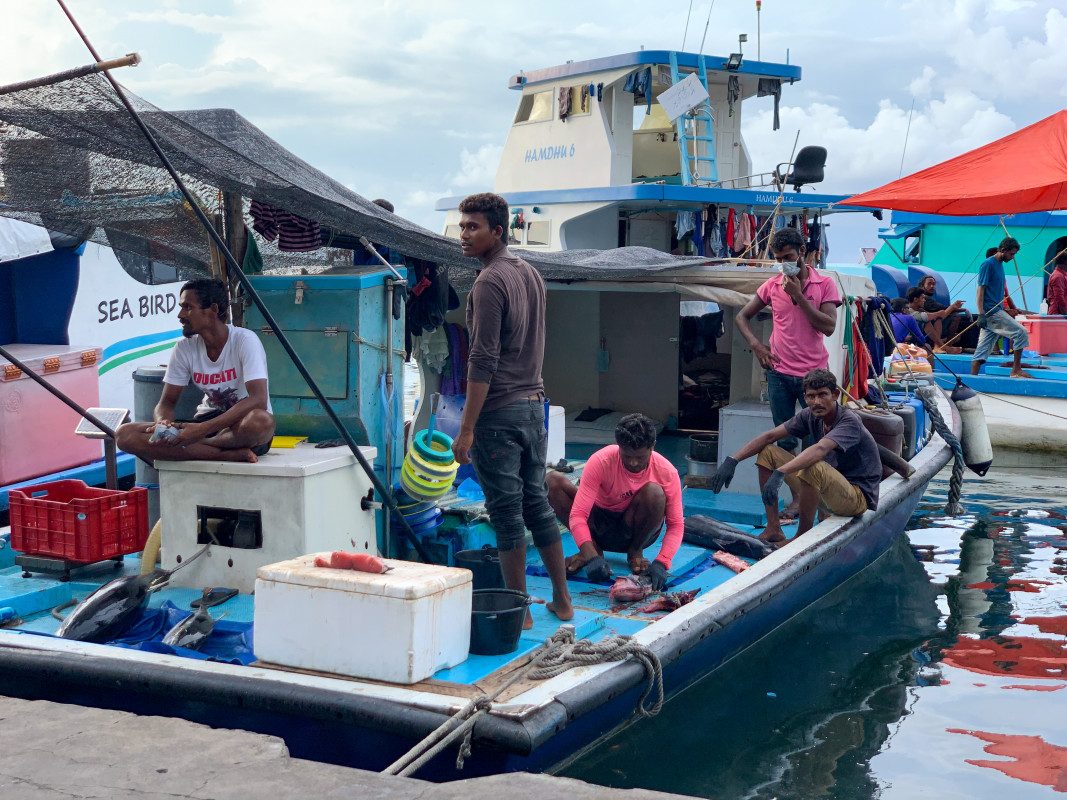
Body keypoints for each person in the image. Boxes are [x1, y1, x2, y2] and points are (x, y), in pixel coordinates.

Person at [450, 192, 573, 627]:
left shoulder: (488, 282)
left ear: (497, 231)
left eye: (472, 227)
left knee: (506, 513)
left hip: (500, 413)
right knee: (536, 503)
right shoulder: (531, 274)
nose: (462, 234)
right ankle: (561, 600)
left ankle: (519, 611)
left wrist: (466, 430)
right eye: (461, 226)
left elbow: (483, 360)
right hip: (533, 407)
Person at [735, 226, 841, 520]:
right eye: (779, 259)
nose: (785, 263)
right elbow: (742, 317)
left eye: (789, 257)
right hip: (779, 374)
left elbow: (828, 326)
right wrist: (757, 346)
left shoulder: (825, 284)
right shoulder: (771, 286)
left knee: (815, 440)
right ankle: (796, 500)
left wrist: (799, 296)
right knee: (785, 440)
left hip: (814, 376)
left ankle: (815, 498)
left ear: (803, 254)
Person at [709, 369, 881, 546]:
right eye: (811, 396)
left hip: (857, 499)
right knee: (768, 452)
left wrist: (781, 472)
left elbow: (821, 449)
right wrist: (733, 460)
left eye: (823, 395)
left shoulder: (848, 420)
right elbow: (770, 436)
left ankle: (801, 538)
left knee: (813, 465)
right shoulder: (809, 415)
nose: (817, 402)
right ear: (805, 398)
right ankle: (773, 528)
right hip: (829, 489)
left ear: (835, 395)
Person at [116, 278, 275, 462]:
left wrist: (202, 431)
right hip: (205, 422)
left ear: (213, 310)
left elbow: (258, 400)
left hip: (239, 424)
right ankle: (224, 455)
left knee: (261, 422)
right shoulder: (184, 347)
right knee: (124, 434)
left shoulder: (245, 340)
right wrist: (162, 422)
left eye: (188, 307)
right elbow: (166, 403)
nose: (180, 315)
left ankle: (202, 447)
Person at [545, 414, 684, 590]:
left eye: (640, 457)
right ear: (618, 447)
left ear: (653, 447)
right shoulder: (600, 460)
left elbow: (676, 525)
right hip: (599, 524)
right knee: (552, 482)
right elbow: (578, 514)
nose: (633, 463)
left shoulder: (667, 472)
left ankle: (635, 552)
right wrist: (592, 557)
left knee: (655, 493)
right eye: (626, 456)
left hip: (635, 531)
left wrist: (662, 562)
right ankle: (593, 549)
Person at [971, 237, 1032, 378]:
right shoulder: (988, 264)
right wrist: (981, 314)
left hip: (996, 311)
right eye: (1011, 254)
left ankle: (971, 380)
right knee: (1021, 332)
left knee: (981, 353)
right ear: (1003, 250)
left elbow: (998, 292)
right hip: (991, 312)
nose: (1012, 257)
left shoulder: (999, 264)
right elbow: (980, 290)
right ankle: (1016, 370)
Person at [918, 275, 977, 350]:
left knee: (956, 335)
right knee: (948, 317)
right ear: (922, 285)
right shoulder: (926, 299)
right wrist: (963, 309)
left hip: (929, 324)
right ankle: (945, 345)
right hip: (924, 326)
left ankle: (944, 344)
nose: (932, 286)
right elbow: (944, 310)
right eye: (929, 284)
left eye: (934, 284)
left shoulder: (928, 299)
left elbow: (943, 309)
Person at [905, 287, 964, 353]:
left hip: (922, 336)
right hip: (910, 339)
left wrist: (953, 307)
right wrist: (941, 312)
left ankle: (938, 346)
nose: (924, 300)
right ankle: (942, 346)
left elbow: (941, 315)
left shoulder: (919, 310)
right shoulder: (908, 311)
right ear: (915, 299)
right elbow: (927, 317)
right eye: (922, 298)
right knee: (926, 322)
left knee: (938, 319)